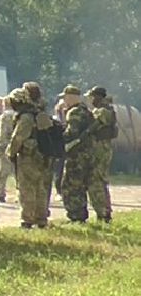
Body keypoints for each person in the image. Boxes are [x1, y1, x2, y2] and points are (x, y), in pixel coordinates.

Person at [5, 85, 55, 228]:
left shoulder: (26, 117)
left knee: (27, 188)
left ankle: (27, 219)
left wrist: (10, 153)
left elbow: (18, 138)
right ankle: (41, 218)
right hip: (41, 157)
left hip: (28, 157)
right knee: (40, 188)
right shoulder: (40, 113)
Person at [56, 86, 95, 223]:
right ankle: (81, 215)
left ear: (72, 97)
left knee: (69, 186)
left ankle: (75, 216)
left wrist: (57, 134)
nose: (64, 100)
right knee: (80, 185)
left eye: (65, 97)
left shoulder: (74, 112)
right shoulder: (86, 111)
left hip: (75, 154)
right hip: (86, 153)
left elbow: (70, 133)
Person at [87, 87, 118, 223]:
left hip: (100, 149)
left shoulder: (103, 111)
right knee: (100, 181)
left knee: (96, 182)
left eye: (92, 97)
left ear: (98, 97)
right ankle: (105, 212)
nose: (91, 100)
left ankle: (103, 213)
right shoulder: (106, 109)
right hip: (102, 148)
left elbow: (92, 128)